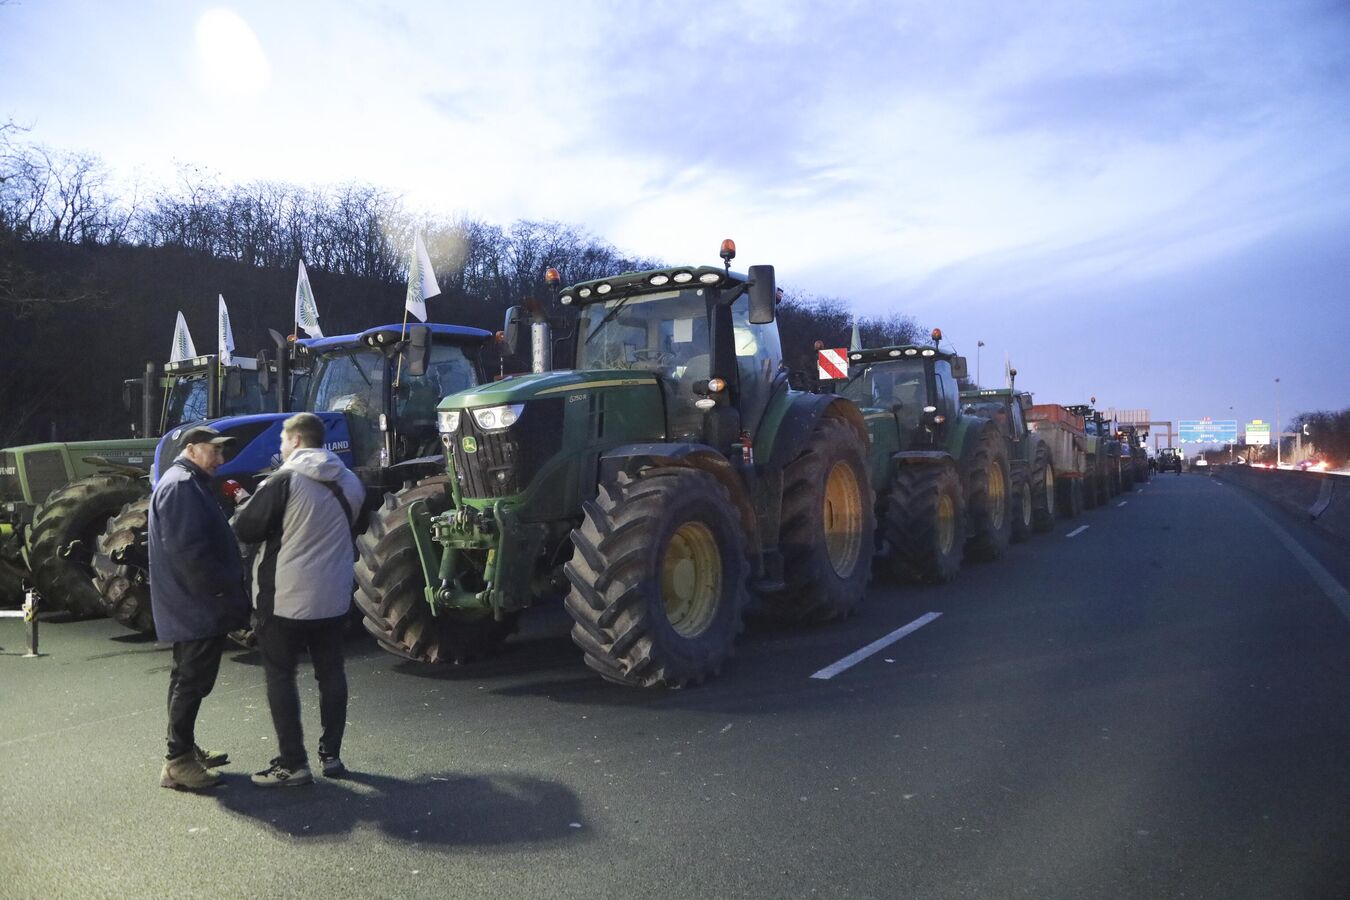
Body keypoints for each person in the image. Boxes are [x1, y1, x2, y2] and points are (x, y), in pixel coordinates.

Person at [233, 412, 364, 787]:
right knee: (331, 673)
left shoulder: (283, 480)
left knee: (281, 677)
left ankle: (294, 763)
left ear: (295, 441)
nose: (280, 448)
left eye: (281, 442)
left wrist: (246, 504)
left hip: (284, 599)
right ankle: (332, 755)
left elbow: (247, 528)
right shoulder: (351, 483)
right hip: (333, 596)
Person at [150, 425, 251, 792]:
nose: (221, 460)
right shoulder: (181, 487)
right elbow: (190, 555)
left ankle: (184, 751)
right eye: (215, 452)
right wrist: (220, 596)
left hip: (193, 605)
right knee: (191, 682)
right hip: (196, 606)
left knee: (185, 679)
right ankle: (177, 762)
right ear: (192, 450)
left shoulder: (186, 483)